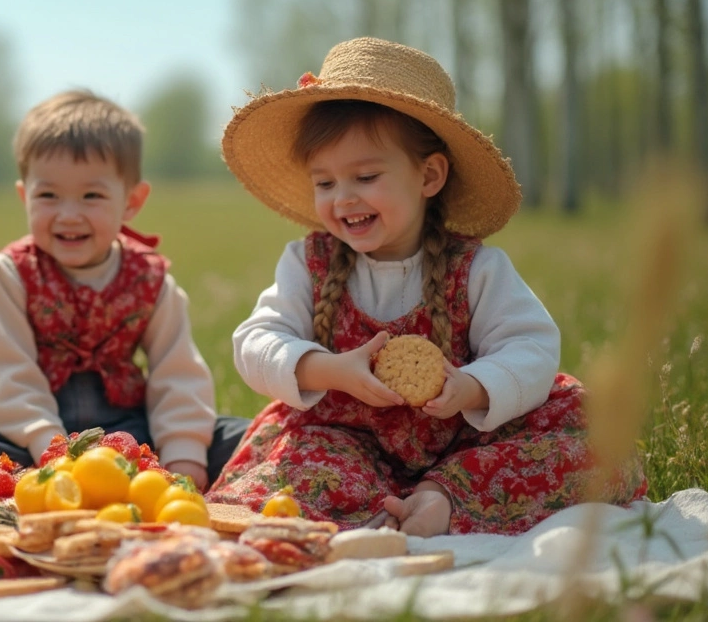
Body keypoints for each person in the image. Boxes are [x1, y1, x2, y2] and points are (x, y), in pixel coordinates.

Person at [204, 37, 646, 535]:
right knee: (296, 473)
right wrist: (328, 369)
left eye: (365, 176)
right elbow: (255, 341)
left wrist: (472, 386)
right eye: (324, 183)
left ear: (429, 175)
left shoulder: (475, 268)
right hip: (343, 445)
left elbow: (532, 348)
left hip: (466, 446)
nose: (343, 198)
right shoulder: (309, 264)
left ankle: (442, 498)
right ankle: (377, 508)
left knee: (590, 436)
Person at [0, 90, 248, 490]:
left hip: (127, 434)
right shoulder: (11, 274)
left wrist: (183, 459)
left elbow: (178, 376)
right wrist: (51, 450)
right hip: (27, 438)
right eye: (48, 195)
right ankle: (23, 488)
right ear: (25, 197)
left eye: (92, 196)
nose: (69, 215)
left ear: (131, 202)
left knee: (246, 436)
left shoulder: (151, 281)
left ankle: (159, 477)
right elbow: (5, 374)